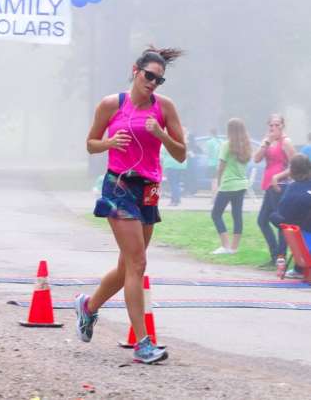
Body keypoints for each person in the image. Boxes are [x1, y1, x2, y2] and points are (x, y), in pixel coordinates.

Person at [76, 47, 186, 364]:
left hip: (148, 189)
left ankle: (88, 307)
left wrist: (160, 134)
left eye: (159, 80)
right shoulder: (112, 105)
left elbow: (181, 154)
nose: (153, 83)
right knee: (138, 264)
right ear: (135, 70)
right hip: (119, 186)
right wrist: (109, 143)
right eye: (149, 76)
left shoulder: (164, 109)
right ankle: (142, 344)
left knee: (128, 266)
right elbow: (90, 143)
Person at [253, 114, 295, 269]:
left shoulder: (286, 142)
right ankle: (275, 255)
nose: (273, 128)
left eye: (277, 125)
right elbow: (256, 159)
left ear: (283, 126)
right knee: (262, 220)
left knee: (279, 221)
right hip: (268, 185)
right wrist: (266, 142)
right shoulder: (268, 141)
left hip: (281, 186)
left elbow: (295, 166)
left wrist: (278, 176)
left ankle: (280, 257)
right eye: (271, 125)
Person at [211, 118, 252, 254]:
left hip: (228, 184)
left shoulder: (226, 145)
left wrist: (217, 183)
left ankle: (225, 245)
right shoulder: (246, 146)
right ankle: (234, 248)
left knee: (216, 213)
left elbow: (221, 167)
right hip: (242, 185)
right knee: (237, 215)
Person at [269, 154, 311, 278]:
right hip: (305, 232)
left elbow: (282, 214)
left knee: (278, 218)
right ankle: (298, 269)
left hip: (299, 234)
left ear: (292, 171)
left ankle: (298, 268)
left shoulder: (292, 188)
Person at [206, 128, 221, 198]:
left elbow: (208, 153)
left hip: (212, 163)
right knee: (219, 181)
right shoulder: (221, 141)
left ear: (210, 133)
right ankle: (219, 196)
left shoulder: (209, 142)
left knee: (214, 181)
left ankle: (214, 198)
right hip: (221, 163)